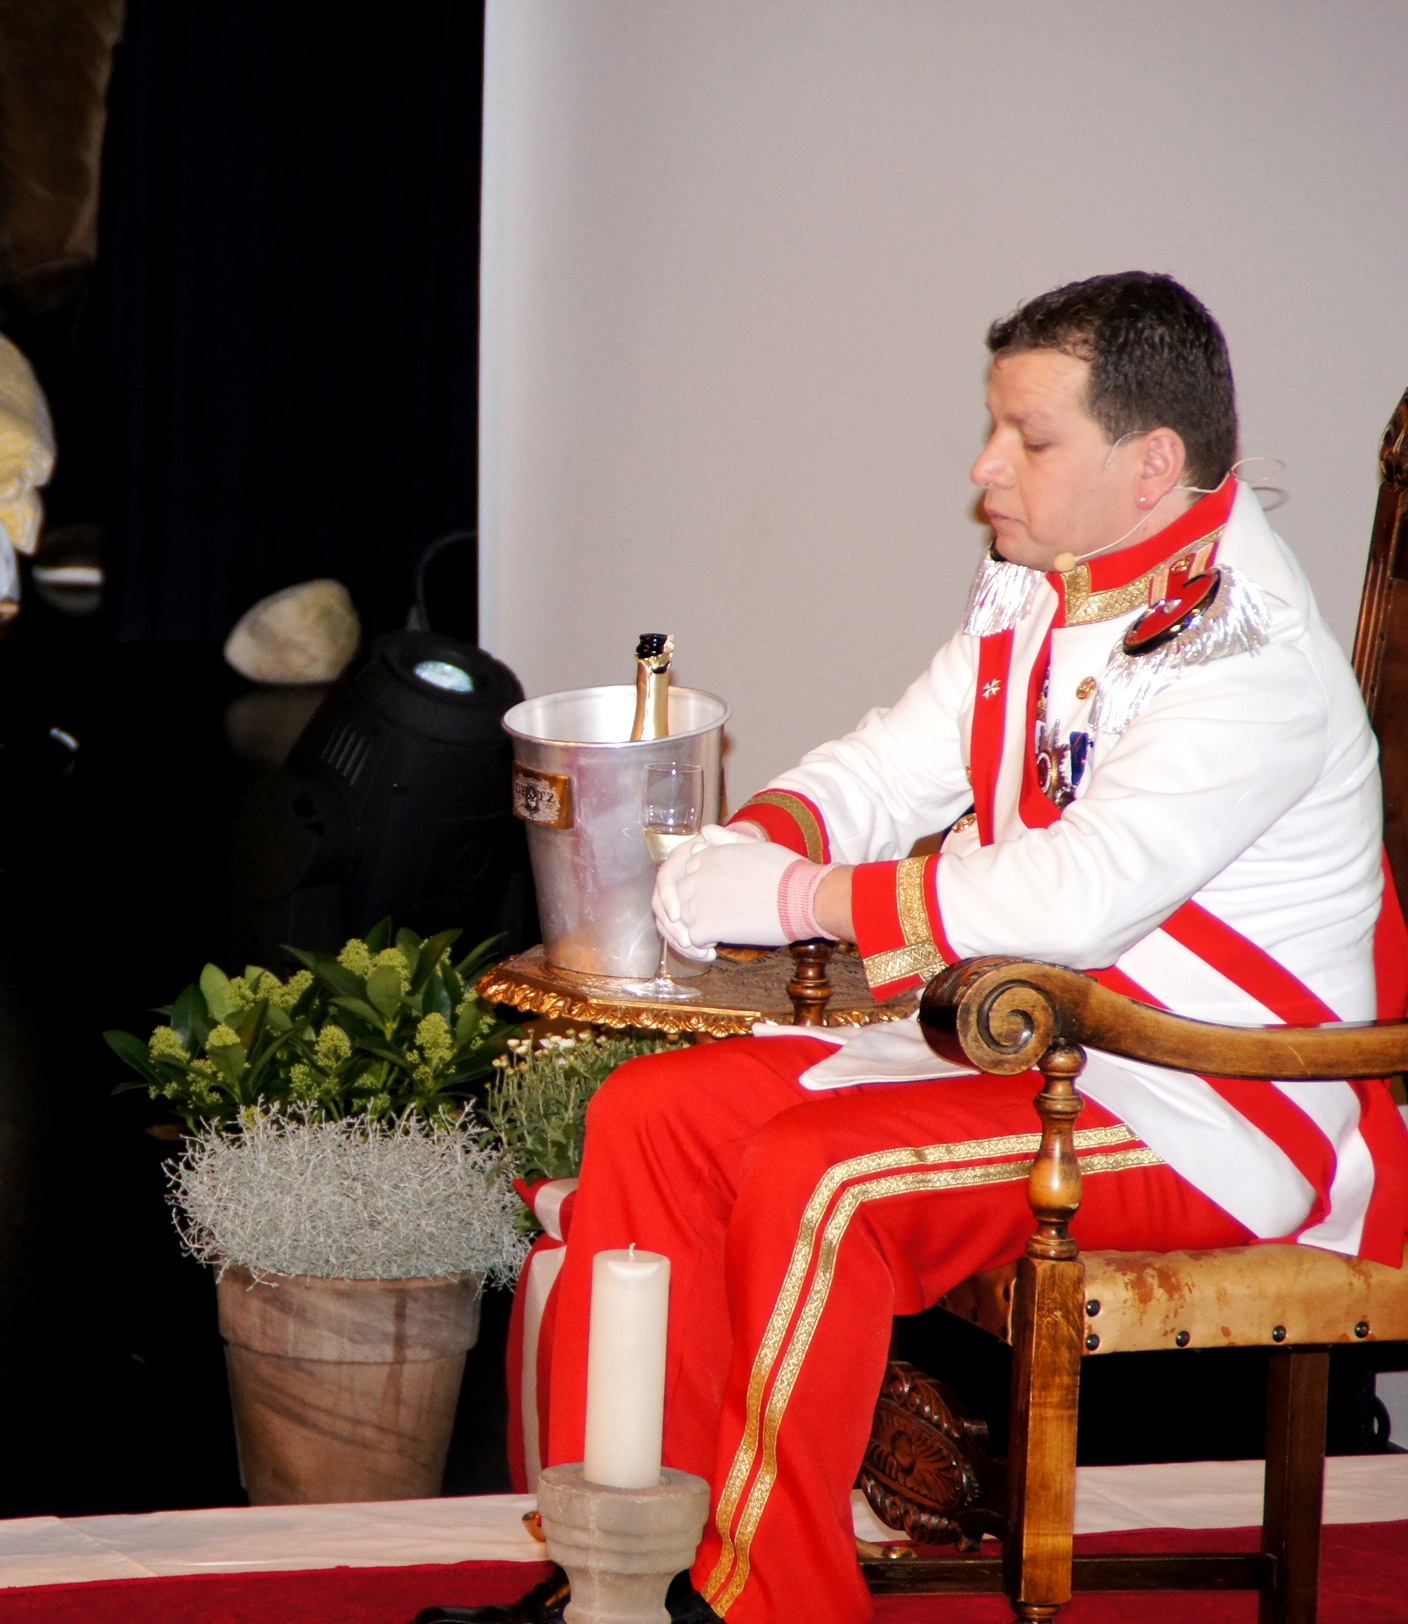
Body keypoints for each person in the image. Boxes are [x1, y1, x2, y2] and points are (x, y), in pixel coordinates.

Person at [542, 273, 1408, 1624]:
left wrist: (802, 896)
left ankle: (761, 1605)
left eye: (1030, 437)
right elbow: (895, 759)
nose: (984, 465)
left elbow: (1074, 896)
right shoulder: (1041, 586)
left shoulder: (1251, 654)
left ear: (1153, 464)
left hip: (1212, 1107)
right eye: (995, 427)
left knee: (820, 1181)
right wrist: (744, 842)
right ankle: (621, 1574)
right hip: (1050, 1052)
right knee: (652, 1118)